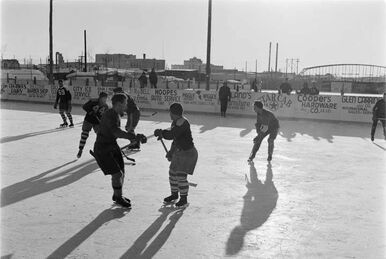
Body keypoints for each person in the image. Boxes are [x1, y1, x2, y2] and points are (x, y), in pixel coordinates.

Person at [92, 93, 147, 208]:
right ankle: (118, 197)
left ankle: (117, 195)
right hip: (103, 148)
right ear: (119, 104)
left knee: (121, 171)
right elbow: (116, 132)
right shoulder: (110, 115)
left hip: (112, 145)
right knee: (117, 174)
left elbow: (117, 132)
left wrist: (135, 136)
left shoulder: (116, 114)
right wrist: (134, 137)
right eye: (125, 103)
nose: (126, 106)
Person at [154, 103, 198, 208]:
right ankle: (174, 195)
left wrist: (162, 133)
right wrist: (170, 152)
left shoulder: (183, 122)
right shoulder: (175, 122)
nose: (169, 114)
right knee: (172, 173)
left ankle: (184, 199)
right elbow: (175, 140)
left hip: (188, 153)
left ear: (173, 113)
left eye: (170, 112)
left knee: (181, 176)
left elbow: (172, 134)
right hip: (179, 152)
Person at [76, 92, 109, 158]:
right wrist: (91, 111)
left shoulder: (105, 106)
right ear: (100, 97)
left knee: (100, 136)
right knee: (84, 134)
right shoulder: (93, 101)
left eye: (105, 98)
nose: (104, 100)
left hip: (97, 122)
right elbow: (85, 106)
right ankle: (80, 149)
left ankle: (100, 150)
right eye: (103, 98)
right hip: (88, 120)